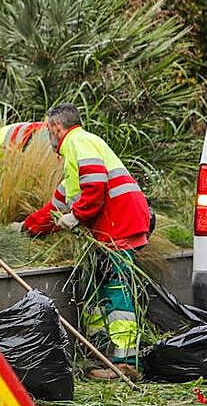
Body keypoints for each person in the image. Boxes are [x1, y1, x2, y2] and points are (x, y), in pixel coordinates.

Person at [13, 102, 152, 380]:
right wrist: (25, 228)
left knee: (116, 292)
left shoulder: (79, 142)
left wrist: (76, 217)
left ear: (55, 127)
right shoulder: (76, 157)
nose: (48, 138)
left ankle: (126, 364)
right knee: (99, 292)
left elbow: (95, 186)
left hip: (118, 229)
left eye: (47, 130)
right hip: (116, 227)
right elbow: (55, 208)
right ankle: (104, 356)